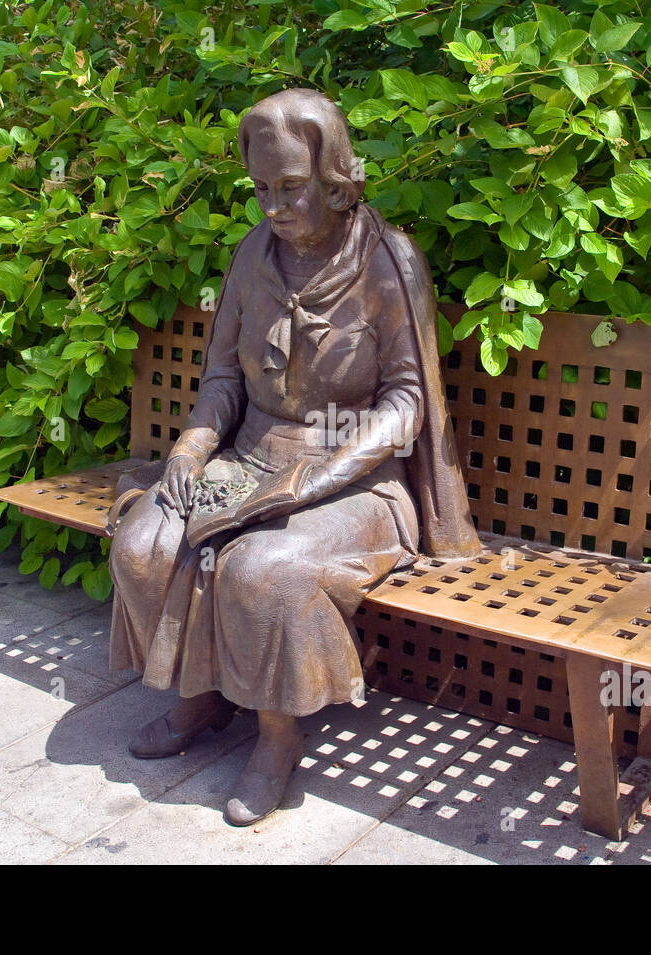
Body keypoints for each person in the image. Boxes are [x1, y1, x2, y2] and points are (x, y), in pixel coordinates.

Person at [106, 88, 479, 826]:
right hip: (249, 457)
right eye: (262, 189)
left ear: (336, 179)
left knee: (261, 568)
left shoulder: (388, 261)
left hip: (357, 481)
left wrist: (311, 480)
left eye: (292, 187)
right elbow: (221, 378)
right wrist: (192, 444)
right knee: (146, 541)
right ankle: (201, 697)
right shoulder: (253, 253)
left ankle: (277, 738)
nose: (274, 206)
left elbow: (407, 405)